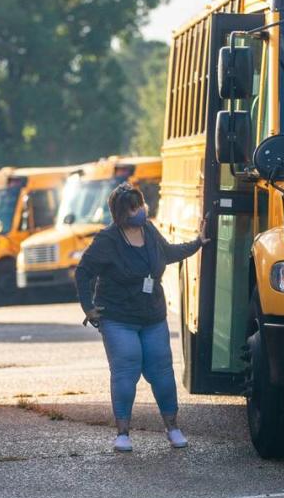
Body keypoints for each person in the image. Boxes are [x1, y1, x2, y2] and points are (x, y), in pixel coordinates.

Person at [75, 182, 209, 453]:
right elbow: (83, 272)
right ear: (122, 213)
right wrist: (88, 308)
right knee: (126, 368)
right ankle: (122, 434)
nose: (141, 210)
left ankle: (172, 428)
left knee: (161, 371)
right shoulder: (107, 240)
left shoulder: (148, 230)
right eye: (134, 207)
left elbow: (168, 253)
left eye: (141, 204)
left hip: (153, 316)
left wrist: (198, 243)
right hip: (118, 317)